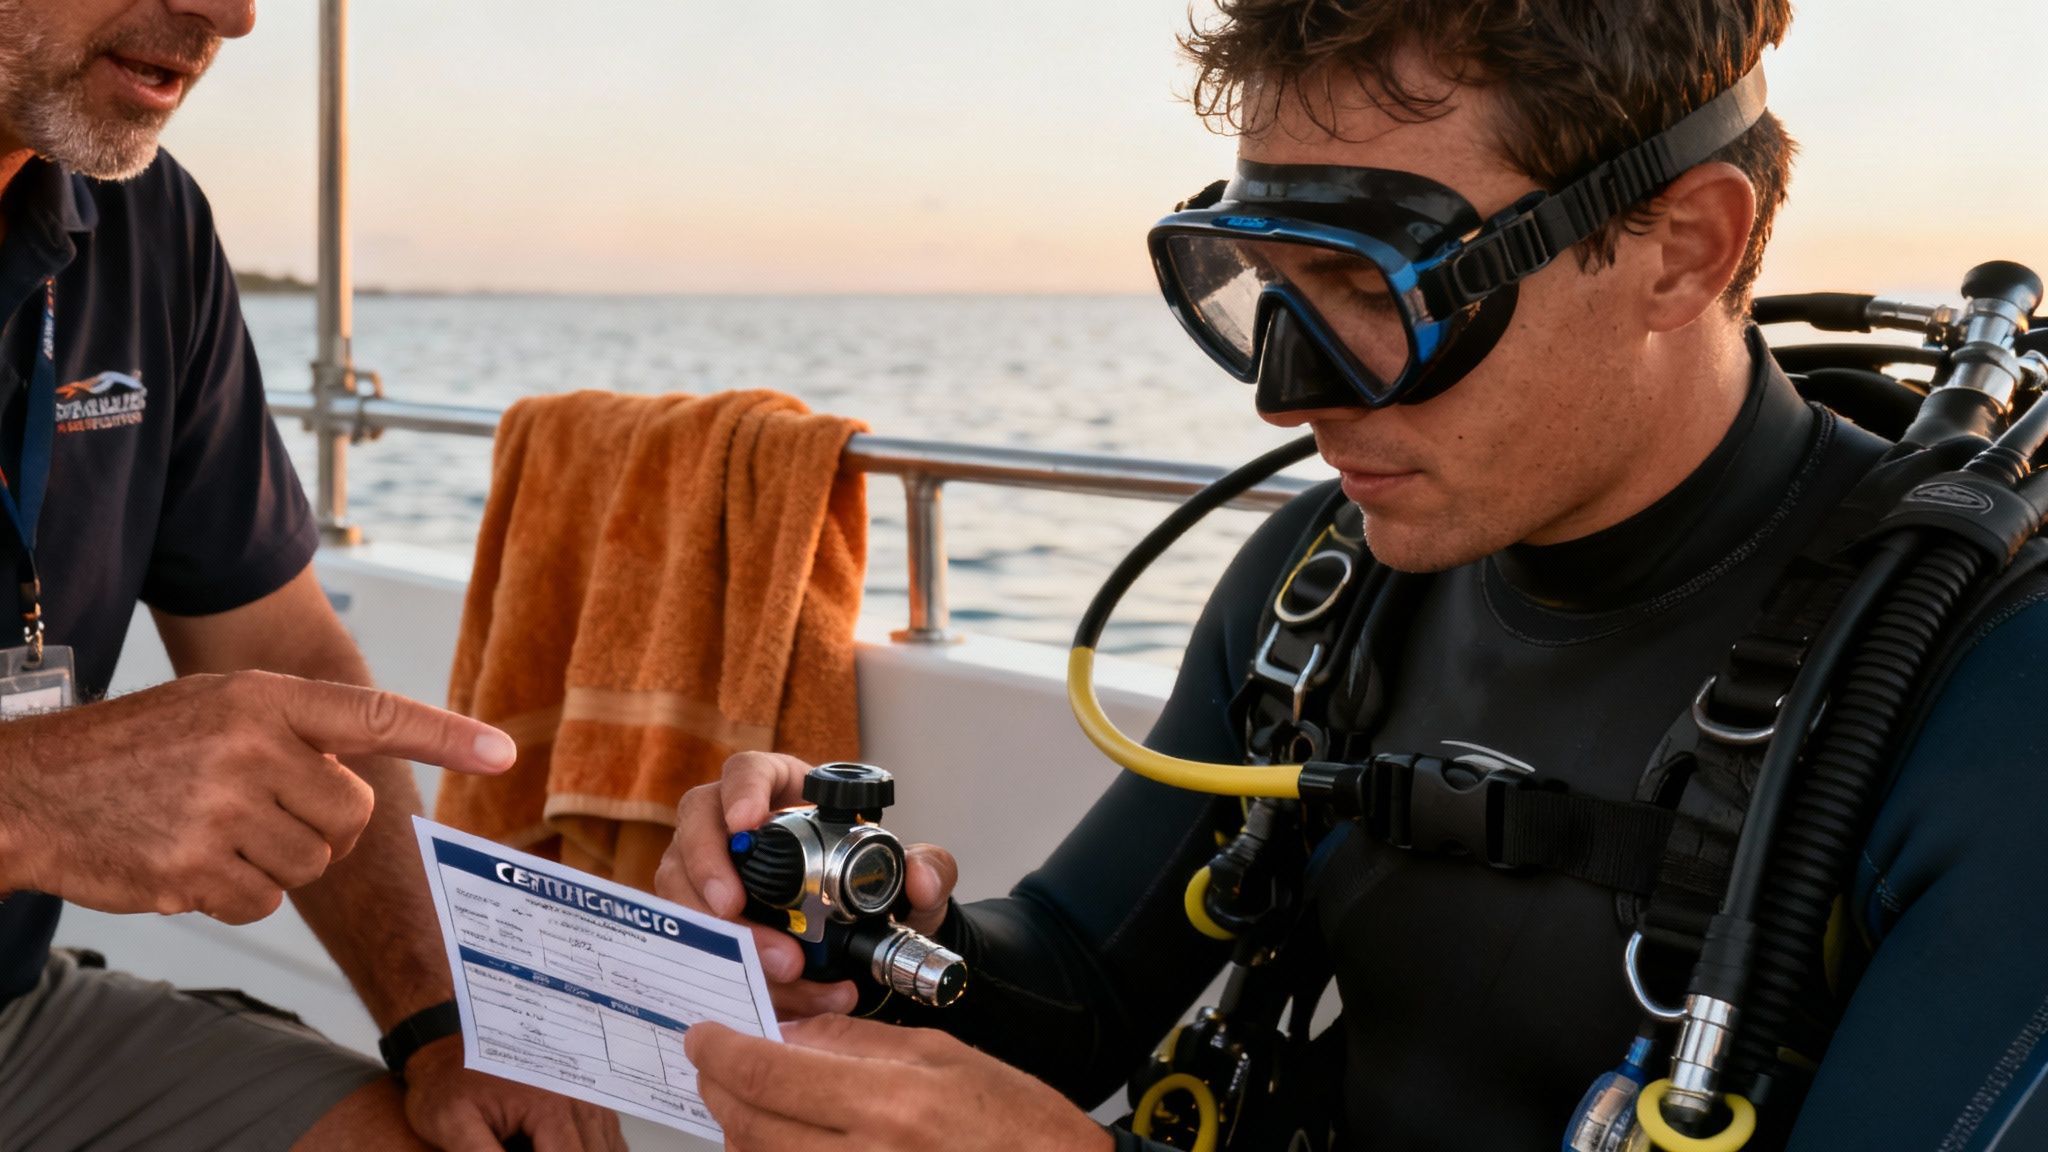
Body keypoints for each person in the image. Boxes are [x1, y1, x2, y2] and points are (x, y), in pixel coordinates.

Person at [657, 1, 2048, 1150]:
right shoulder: (1318, 593)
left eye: (1378, 295)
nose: (1286, 400)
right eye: (1265, 289)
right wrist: (859, 924)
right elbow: (1077, 987)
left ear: (1685, 248)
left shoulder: (1994, 701)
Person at [0, 2, 624, 1148]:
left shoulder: (148, 219)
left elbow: (278, 650)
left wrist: (441, 1025)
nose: (229, 15)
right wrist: (31, 797)